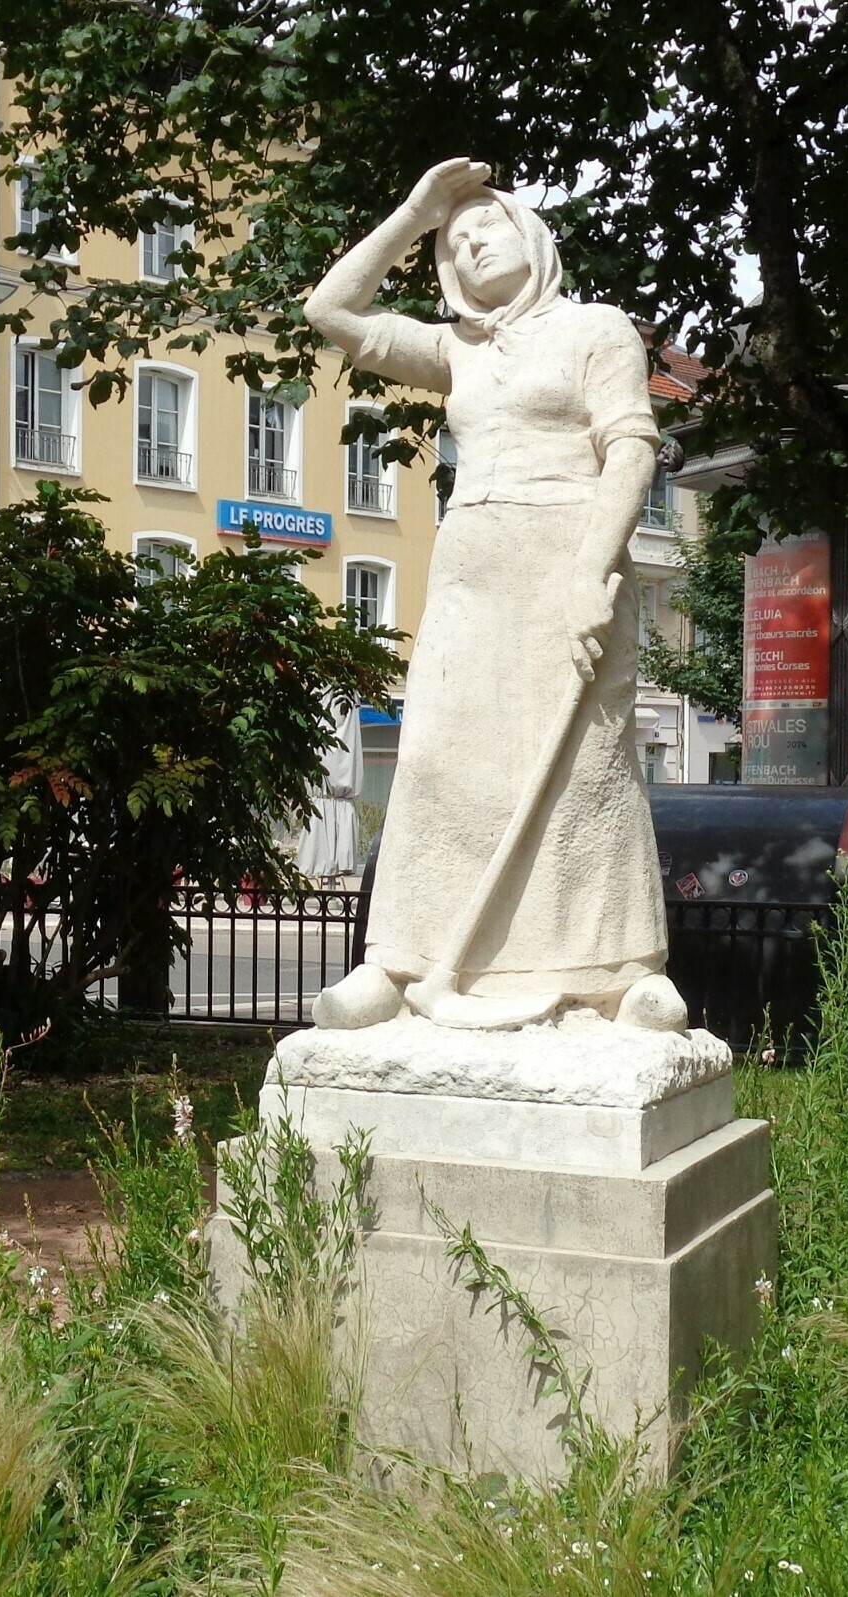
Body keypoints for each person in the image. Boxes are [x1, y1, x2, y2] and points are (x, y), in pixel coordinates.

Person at [305, 158, 687, 1033]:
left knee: (587, 771)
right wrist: (415, 208)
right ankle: (399, 960)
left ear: (533, 236)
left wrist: (595, 569)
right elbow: (330, 312)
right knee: (437, 764)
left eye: (487, 227)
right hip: (473, 568)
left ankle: (623, 969)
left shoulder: (598, 330)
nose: (471, 243)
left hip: (571, 563)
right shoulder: (455, 349)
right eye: (456, 240)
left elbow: (630, 448)